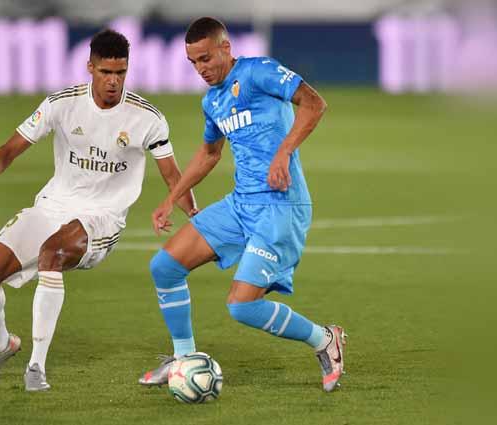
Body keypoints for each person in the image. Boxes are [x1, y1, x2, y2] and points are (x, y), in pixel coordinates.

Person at [0, 29, 196, 392]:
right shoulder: (61, 104)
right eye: (106, 73)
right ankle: (0, 345)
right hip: (52, 206)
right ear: (90, 68)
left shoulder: (148, 118)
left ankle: (36, 368)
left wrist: (196, 215)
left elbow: (173, 175)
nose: (114, 82)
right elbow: (10, 149)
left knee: (52, 253)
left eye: (121, 73)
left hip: (102, 218)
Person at [138, 17, 346, 392]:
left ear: (225, 48)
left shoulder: (258, 72)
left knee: (242, 306)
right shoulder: (212, 100)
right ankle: (184, 358)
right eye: (193, 63)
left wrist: (284, 152)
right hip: (240, 206)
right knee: (164, 267)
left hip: (280, 206)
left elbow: (314, 104)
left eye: (205, 58)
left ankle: (324, 339)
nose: (201, 69)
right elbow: (209, 153)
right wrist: (171, 198)